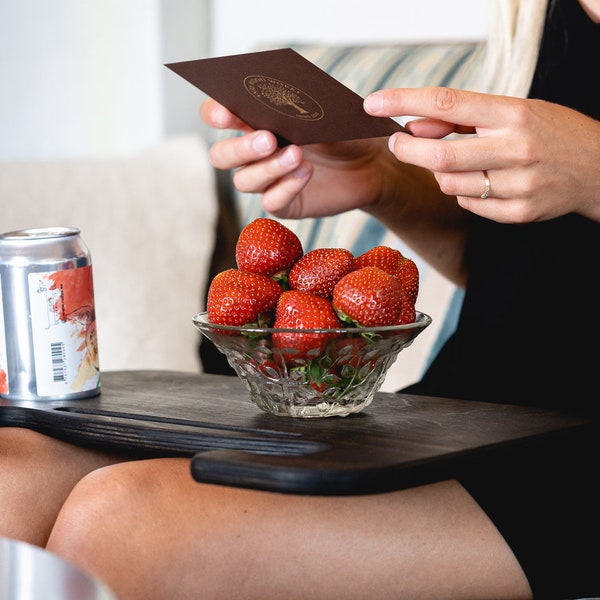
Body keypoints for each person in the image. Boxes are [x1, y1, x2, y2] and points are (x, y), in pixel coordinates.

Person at [1, 0, 598, 598]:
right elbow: (532, 275)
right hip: (476, 417)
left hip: (568, 467)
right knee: (15, 476)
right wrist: (380, 181)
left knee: (121, 524)